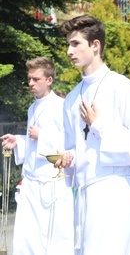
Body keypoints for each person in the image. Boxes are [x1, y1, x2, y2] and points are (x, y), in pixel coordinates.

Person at [59, 15, 130, 254]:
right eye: (68, 45)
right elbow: (74, 146)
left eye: (76, 43)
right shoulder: (72, 97)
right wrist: (68, 157)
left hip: (113, 194)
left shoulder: (122, 88)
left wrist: (99, 125)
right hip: (83, 196)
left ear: (95, 45)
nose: (69, 51)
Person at [0, 57, 74, 255]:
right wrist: (19, 141)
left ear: (49, 80)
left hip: (52, 183)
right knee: (29, 237)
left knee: (52, 239)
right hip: (32, 181)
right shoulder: (32, 107)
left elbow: (70, 144)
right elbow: (32, 144)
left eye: (36, 79)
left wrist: (42, 136)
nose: (31, 83)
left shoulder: (62, 106)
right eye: (29, 79)